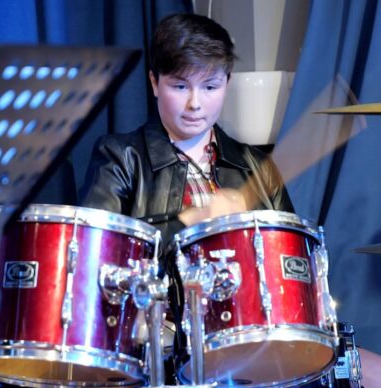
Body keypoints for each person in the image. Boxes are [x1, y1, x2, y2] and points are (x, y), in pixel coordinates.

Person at [80, 13, 294, 246]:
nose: (195, 103)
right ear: (154, 83)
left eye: (210, 87)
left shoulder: (259, 168)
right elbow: (95, 252)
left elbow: (289, 260)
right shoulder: (120, 158)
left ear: (227, 84)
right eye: (181, 86)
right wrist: (191, 220)